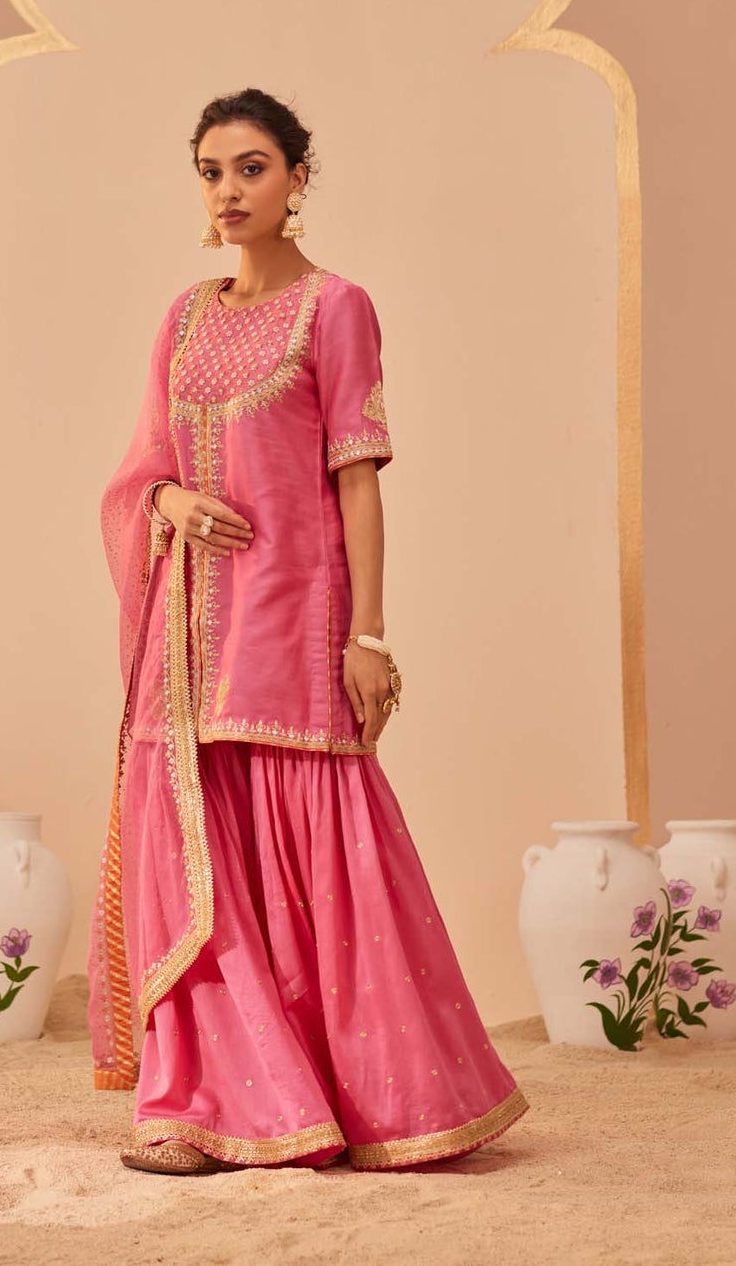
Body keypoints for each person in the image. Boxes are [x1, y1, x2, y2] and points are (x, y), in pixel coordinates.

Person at [89, 87, 529, 1174]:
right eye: (210, 171)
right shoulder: (183, 318)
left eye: (250, 168)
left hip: (292, 616)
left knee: (319, 858)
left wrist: (366, 635)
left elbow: (356, 478)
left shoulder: (335, 308)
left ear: (295, 179)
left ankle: (359, 1100)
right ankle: (203, 1107)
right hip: (185, 636)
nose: (227, 190)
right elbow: (143, 468)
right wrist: (165, 503)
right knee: (193, 856)